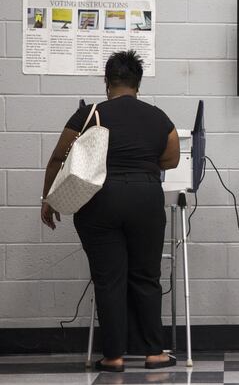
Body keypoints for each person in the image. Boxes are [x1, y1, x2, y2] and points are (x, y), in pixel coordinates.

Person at [40, 50, 180, 372]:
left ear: (107, 82)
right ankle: (154, 353)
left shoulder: (89, 115)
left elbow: (59, 158)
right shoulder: (160, 118)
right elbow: (170, 160)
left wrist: (48, 198)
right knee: (146, 276)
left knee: (108, 279)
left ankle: (114, 356)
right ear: (138, 84)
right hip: (146, 197)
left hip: (100, 199)